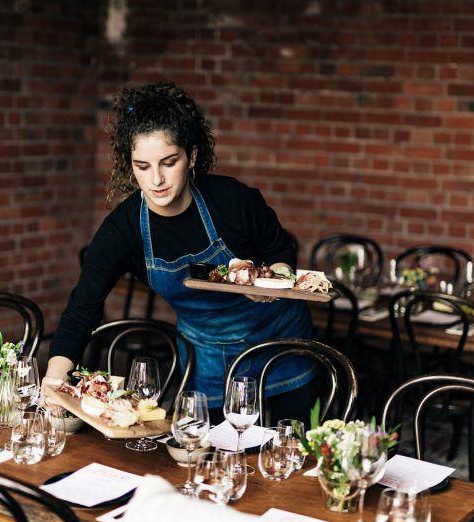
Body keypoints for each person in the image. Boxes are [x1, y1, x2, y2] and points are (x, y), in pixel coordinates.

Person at [44, 82, 317, 422]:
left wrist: (272, 283)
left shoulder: (233, 201)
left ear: (192, 157)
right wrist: (54, 378)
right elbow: (82, 310)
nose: (156, 179)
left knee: (289, 459)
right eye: (142, 166)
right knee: (213, 462)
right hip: (207, 361)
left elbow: (281, 250)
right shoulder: (123, 230)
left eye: (169, 162)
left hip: (280, 347)